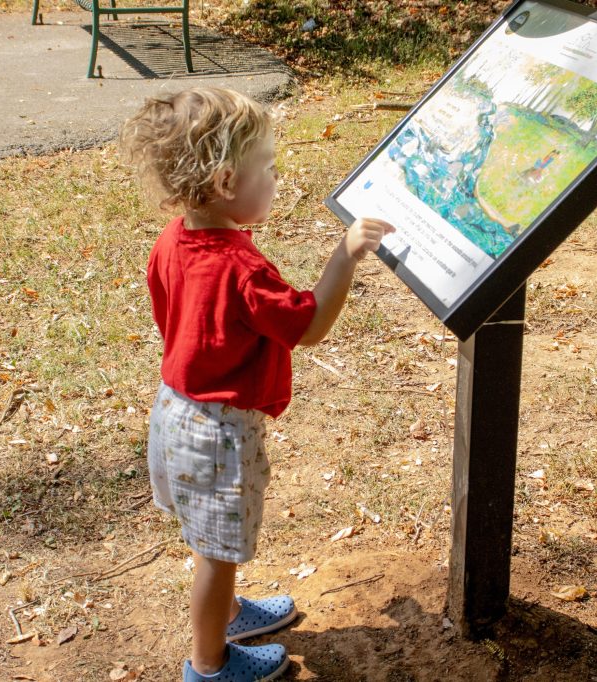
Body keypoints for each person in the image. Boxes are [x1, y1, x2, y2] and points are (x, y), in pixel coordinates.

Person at [119, 87, 394, 681]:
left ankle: (232, 616)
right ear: (223, 182)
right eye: (266, 169)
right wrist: (344, 257)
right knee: (216, 556)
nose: (275, 180)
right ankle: (210, 665)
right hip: (217, 430)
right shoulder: (242, 267)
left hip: (175, 411)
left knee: (207, 534)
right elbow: (311, 324)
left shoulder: (173, 238)